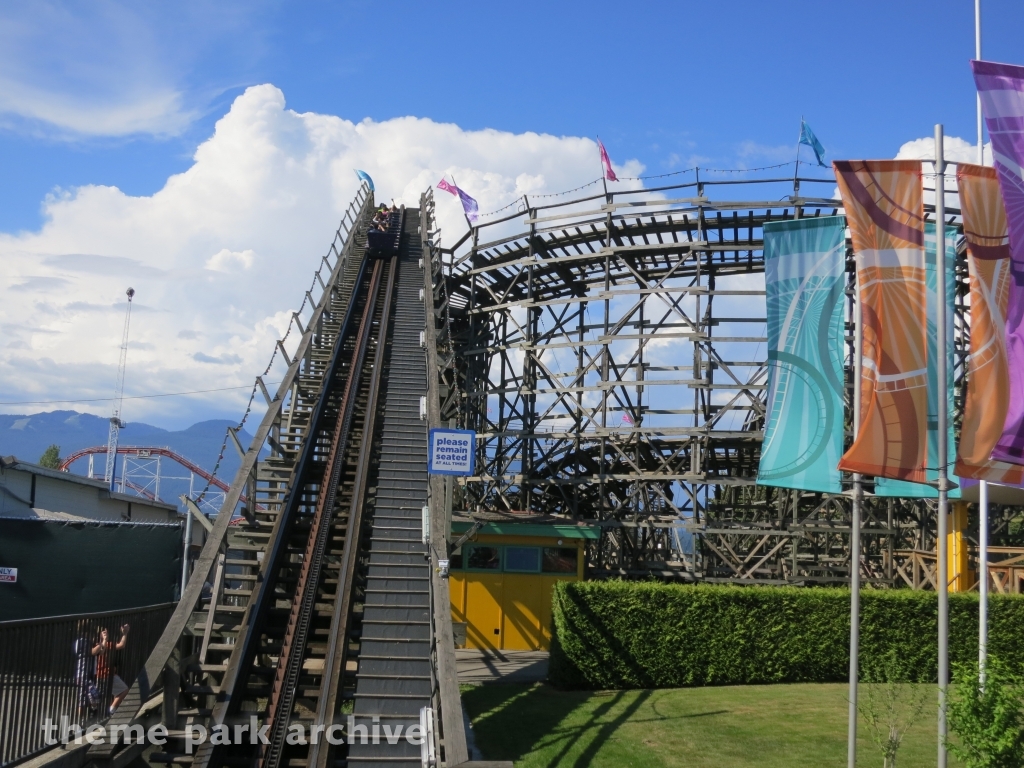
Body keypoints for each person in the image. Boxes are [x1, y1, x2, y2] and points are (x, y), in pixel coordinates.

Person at [92, 624, 130, 714]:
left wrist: (125, 634)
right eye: (103, 632)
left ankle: (96, 710)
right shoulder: (98, 645)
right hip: (106, 673)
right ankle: (111, 709)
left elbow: (121, 645)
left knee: (100, 695)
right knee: (124, 690)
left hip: (102, 674)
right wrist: (125, 634)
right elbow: (119, 646)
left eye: (106, 632)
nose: (106, 633)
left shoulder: (102, 645)